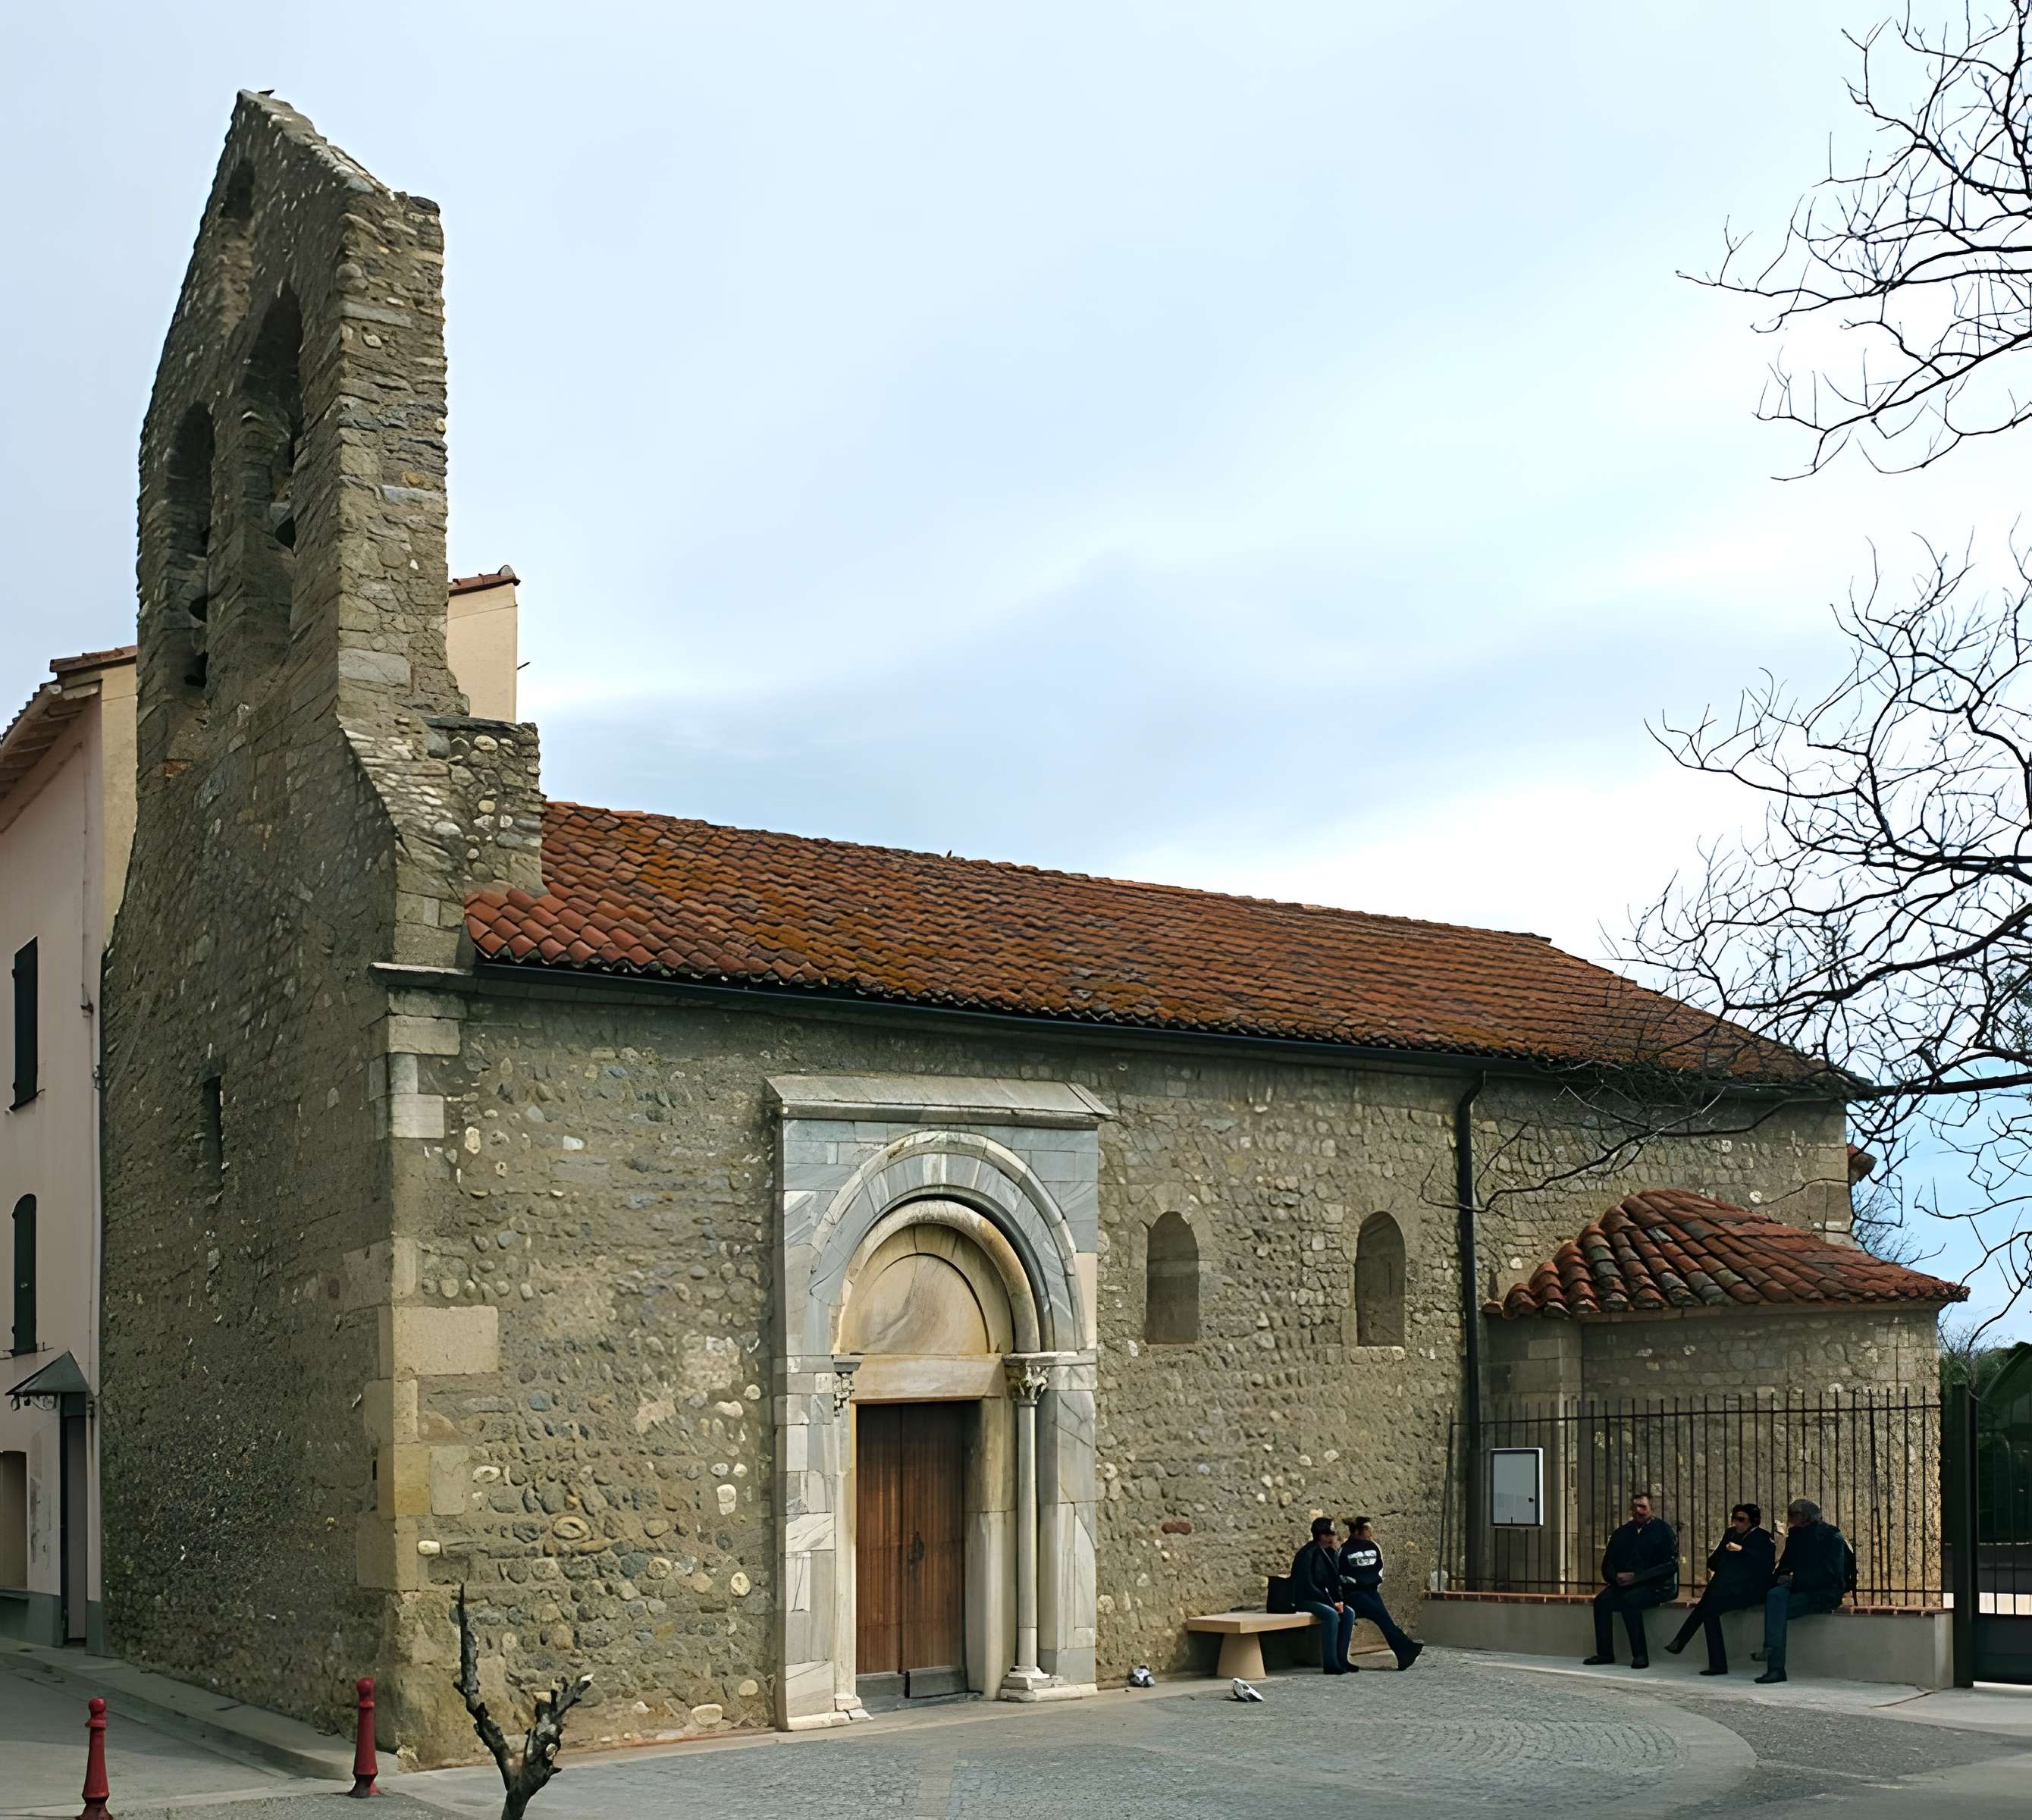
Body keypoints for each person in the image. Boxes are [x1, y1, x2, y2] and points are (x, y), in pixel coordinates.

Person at [1664, 1502, 1776, 1676]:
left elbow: (1765, 1566)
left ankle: (1683, 1642)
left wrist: (1742, 1550)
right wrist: (1727, 1554)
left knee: (1708, 1606)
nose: (1737, 1523)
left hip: (1750, 1589)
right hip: (1726, 1588)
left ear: (1753, 1521)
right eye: (1734, 1519)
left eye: (1741, 1519)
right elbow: (1714, 1561)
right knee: (1709, 1607)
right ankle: (1709, 1659)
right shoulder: (1731, 1534)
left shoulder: (1763, 1537)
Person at [1754, 1498, 1856, 1684]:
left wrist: (1796, 1580)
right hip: (1799, 1587)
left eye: (1794, 1515)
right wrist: (1782, 1577)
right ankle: (1772, 1655)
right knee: (1775, 1595)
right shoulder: (1796, 1537)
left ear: (1806, 1517)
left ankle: (1775, 1664)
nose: (1790, 1519)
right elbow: (1784, 1566)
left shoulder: (1830, 1536)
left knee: (1777, 1609)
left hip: (1822, 1593)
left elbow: (1832, 1574)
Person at [1584, 1491, 1679, 1669]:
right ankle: (1605, 1653)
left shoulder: (1663, 1531)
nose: (1638, 1511)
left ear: (1651, 1509)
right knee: (1602, 1601)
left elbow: (1670, 1566)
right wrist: (1615, 1578)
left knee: (1630, 1601)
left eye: (1643, 1507)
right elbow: (1608, 1562)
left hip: (1656, 1586)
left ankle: (1640, 1655)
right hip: (1626, 1584)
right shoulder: (1623, 1532)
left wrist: (1637, 1578)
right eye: (1635, 1507)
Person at [1338, 1517, 1424, 1671]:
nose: (1370, 1532)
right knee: (1383, 1619)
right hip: (1354, 1594)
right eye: (1367, 1529)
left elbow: (1378, 1567)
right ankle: (1406, 1650)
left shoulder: (1369, 1547)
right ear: (1357, 1531)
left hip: (1369, 1592)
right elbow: (1340, 1573)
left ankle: (1405, 1652)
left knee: (1385, 1620)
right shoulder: (1346, 1550)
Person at [1290, 1515, 1357, 1674]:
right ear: (1323, 1536)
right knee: (1331, 1615)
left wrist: (1339, 1601)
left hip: (1322, 1599)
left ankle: (1342, 1660)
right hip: (1306, 1599)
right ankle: (1331, 1663)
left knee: (1349, 1612)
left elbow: (1334, 1582)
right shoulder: (1307, 1553)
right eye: (1331, 1534)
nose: (1334, 1537)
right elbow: (1307, 1585)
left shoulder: (1330, 1553)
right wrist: (1331, 1603)